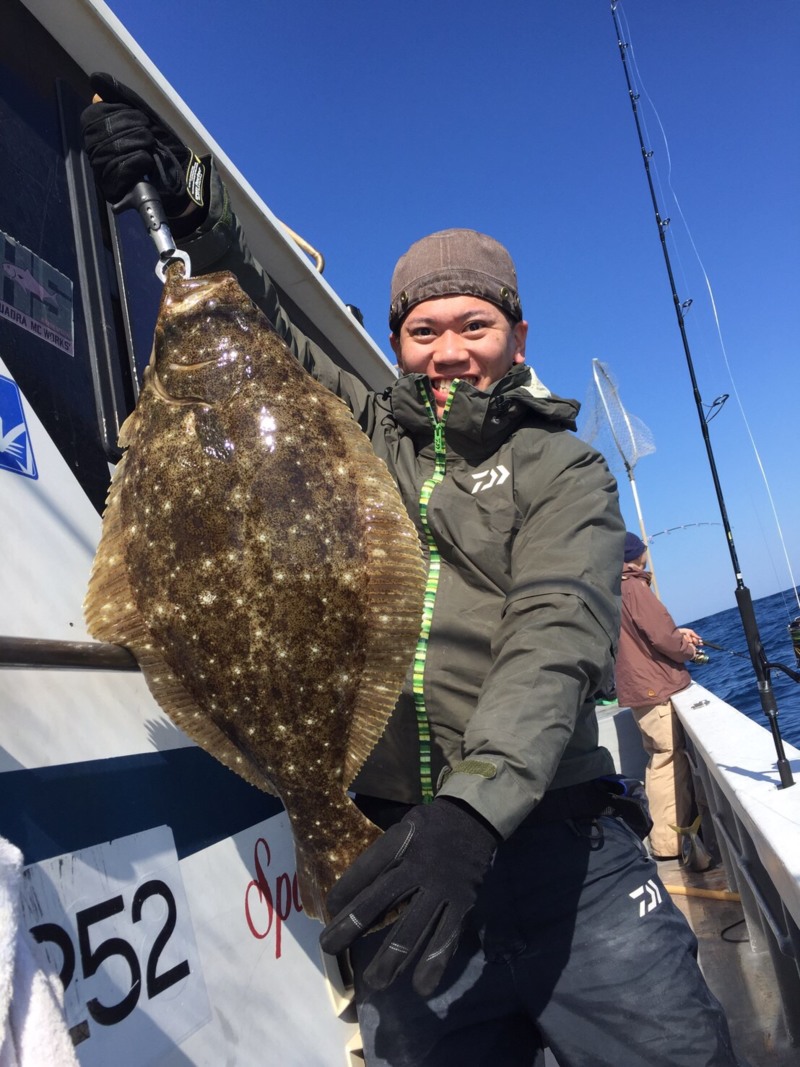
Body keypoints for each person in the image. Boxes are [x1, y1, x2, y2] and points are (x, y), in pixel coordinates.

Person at [80, 75, 741, 1067]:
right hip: (394, 850)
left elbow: (555, 632)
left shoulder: (563, 470)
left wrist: (473, 809)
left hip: (563, 852)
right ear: (397, 346)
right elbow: (267, 322)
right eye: (423, 331)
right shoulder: (364, 431)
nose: (449, 351)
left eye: (474, 325)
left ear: (517, 338)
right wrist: (190, 207)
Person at [615, 532, 705, 860]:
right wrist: (688, 649)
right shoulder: (633, 587)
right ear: (635, 555)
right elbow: (662, 637)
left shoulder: (613, 589)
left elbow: (641, 635)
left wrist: (676, 635)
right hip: (655, 689)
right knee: (666, 759)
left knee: (659, 757)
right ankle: (667, 845)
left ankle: (671, 838)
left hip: (639, 688)